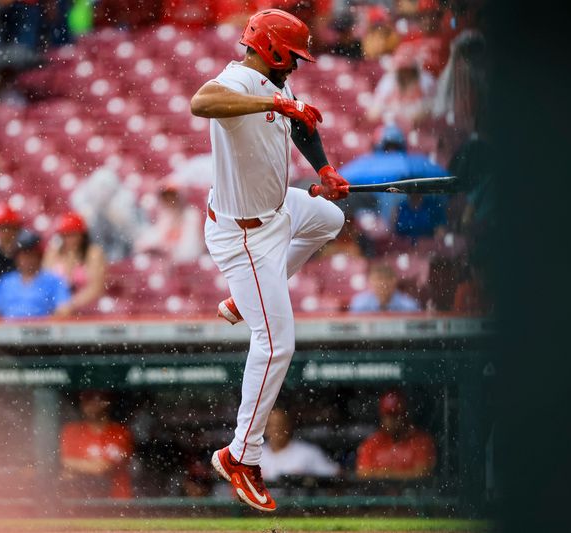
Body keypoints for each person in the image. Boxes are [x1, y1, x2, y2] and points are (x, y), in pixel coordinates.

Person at [190, 9, 350, 512]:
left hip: (278, 210)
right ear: (275, 50)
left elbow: (300, 124)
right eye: (294, 57)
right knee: (277, 342)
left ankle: (246, 297)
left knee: (329, 219)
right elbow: (201, 102)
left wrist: (324, 170)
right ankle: (241, 454)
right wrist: (274, 101)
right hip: (245, 236)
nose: (297, 67)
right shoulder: (239, 81)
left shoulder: (273, 86)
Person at [59, 390, 133, 499]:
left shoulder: (120, 432)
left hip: (116, 502)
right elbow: (59, 463)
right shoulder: (71, 431)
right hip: (78, 502)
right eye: (85, 399)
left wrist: (72, 466)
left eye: (93, 399)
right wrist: (85, 466)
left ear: (106, 402)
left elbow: (101, 468)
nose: (88, 404)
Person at [0, 229, 72, 319]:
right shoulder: (6, 281)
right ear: (16, 258)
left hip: (43, 331)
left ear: (39, 256)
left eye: (31, 255)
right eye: (23, 255)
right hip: (8, 330)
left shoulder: (53, 280)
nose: (27, 260)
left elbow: (64, 310)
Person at [356, 389, 437, 479]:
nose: (391, 420)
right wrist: (403, 474)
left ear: (405, 415)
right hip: (380, 492)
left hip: (411, 492)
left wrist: (385, 474)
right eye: (387, 415)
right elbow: (363, 474)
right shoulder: (373, 442)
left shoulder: (421, 441)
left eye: (395, 415)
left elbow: (422, 473)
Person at [43, 211, 106, 312]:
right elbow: (46, 283)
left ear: (82, 235)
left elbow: (96, 288)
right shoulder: (53, 253)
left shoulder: (93, 253)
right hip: (57, 309)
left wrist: (71, 304)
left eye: (73, 235)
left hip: (87, 309)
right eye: (65, 235)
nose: (69, 239)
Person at [259, 408, 340, 482]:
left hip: (298, 497)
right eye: (271, 426)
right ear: (265, 428)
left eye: (279, 425)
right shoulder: (256, 454)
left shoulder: (308, 452)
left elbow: (335, 475)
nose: (276, 430)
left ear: (288, 426)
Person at [134, 184, 205, 264]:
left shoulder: (191, 215)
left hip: (188, 264)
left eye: (172, 198)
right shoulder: (166, 217)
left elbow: (192, 249)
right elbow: (148, 240)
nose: (170, 202)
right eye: (167, 199)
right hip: (169, 262)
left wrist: (169, 251)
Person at [349, 263, 421, 313]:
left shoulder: (409, 305)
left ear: (394, 281)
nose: (383, 284)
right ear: (370, 282)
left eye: (387, 279)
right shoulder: (359, 303)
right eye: (378, 279)